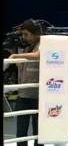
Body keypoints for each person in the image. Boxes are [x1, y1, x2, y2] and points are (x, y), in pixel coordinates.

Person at [8, 18, 47, 146]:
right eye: (23, 34)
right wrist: (13, 52)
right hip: (23, 95)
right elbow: (21, 68)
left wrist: (15, 56)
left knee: (38, 132)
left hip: (38, 96)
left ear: (35, 33)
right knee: (21, 132)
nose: (24, 37)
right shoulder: (27, 48)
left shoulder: (44, 43)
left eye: (26, 34)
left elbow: (39, 55)